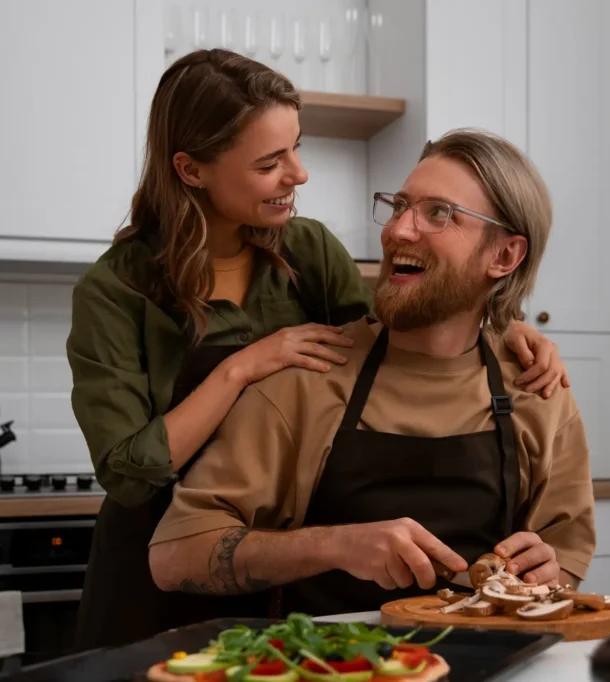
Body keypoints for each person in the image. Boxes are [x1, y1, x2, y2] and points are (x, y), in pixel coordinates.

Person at [67, 49, 571, 650]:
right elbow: (128, 473)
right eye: (269, 162)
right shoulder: (115, 290)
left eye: (296, 148)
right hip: (156, 562)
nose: (299, 174)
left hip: (274, 559)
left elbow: (392, 331)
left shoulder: (304, 249)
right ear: (191, 168)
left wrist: (501, 320)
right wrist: (239, 369)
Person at [146, 127, 597, 617]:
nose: (398, 230)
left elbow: (564, 560)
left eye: (438, 213)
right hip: (335, 667)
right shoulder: (307, 378)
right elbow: (173, 556)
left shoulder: (539, 389)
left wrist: (547, 572)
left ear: (505, 255)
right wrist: (334, 546)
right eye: (400, 205)